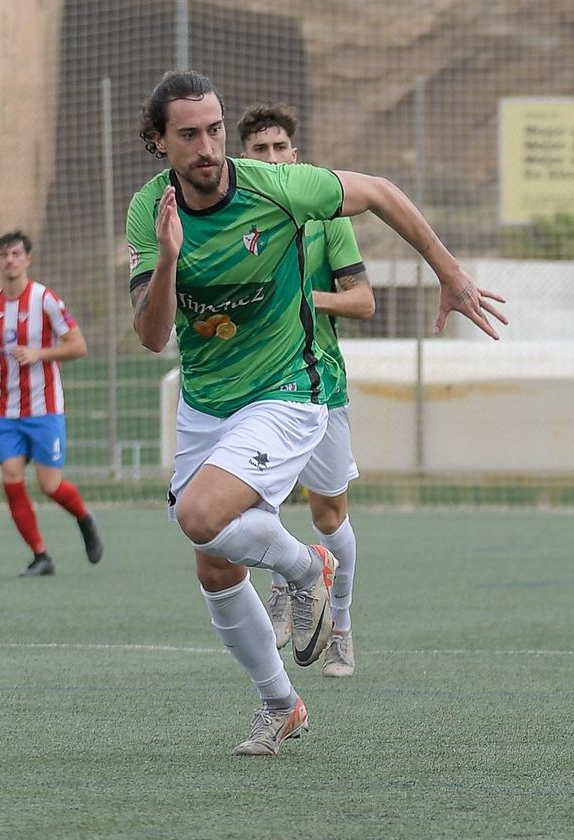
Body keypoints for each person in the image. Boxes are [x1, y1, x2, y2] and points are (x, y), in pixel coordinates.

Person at [127, 71, 505, 756]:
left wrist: (448, 271)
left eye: (215, 130)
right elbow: (153, 337)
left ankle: (308, 569)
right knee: (215, 567)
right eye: (189, 134)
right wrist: (169, 261)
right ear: (158, 141)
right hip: (206, 403)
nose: (207, 147)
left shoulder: (277, 187)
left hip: (287, 391)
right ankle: (282, 705)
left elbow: (380, 192)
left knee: (199, 516)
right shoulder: (150, 212)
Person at [238, 103, 374, 678]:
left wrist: (302, 299)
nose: (272, 159)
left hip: (320, 382)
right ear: (243, 158)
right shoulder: (232, 221)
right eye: (260, 150)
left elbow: (363, 301)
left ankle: (340, 625)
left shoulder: (326, 215)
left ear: (295, 155)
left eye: (280, 149)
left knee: (328, 515)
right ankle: (286, 585)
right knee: (253, 503)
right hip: (256, 384)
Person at [0, 231, 104, 576]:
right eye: (3, 255)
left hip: (45, 408)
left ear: (27, 259)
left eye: (16, 254)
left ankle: (84, 518)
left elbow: (79, 346)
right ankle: (40, 555)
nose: (10, 260)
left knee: (50, 485)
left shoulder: (45, 300)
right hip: (5, 411)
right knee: (11, 480)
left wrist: (38, 354)